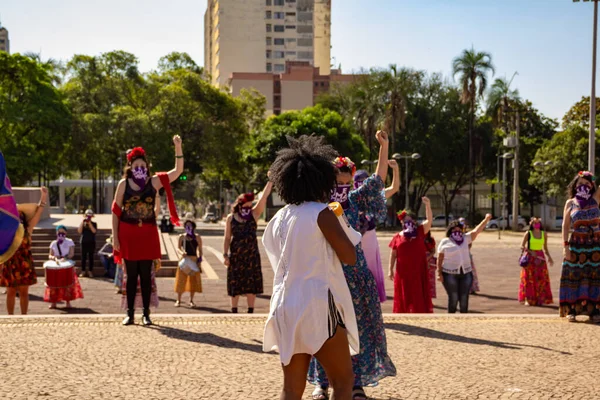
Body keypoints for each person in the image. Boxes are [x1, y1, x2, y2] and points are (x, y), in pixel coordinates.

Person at [263, 135, 359, 400]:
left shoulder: (279, 217)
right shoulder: (323, 213)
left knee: (291, 389)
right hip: (317, 304)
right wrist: (342, 220)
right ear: (320, 179)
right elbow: (349, 256)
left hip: (285, 304)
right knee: (343, 381)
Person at [309, 131, 396, 400]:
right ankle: (321, 384)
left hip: (356, 275)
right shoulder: (318, 202)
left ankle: (356, 384)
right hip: (326, 274)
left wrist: (385, 147)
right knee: (322, 329)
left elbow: (379, 179)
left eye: (347, 182)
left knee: (358, 330)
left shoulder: (358, 199)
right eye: (338, 182)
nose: (342, 187)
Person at [112, 135, 183, 326]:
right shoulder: (123, 184)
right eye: (136, 166)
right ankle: (130, 313)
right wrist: (115, 237)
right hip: (128, 234)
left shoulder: (154, 182)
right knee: (131, 275)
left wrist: (178, 147)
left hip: (148, 234)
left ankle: (146, 313)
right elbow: (116, 212)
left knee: (146, 275)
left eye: (142, 165)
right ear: (130, 167)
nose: (139, 169)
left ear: (147, 166)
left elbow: (178, 171)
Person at [353, 159, 400, 302]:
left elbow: (394, 188)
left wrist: (396, 170)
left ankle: (371, 302)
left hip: (369, 237)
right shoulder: (350, 197)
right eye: (358, 181)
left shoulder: (375, 198)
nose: (361, 184)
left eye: (363, 181)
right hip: (353, 237)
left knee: (371, 269)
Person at [223, 180, 273, 314]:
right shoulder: (231, 217)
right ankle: (234, 310)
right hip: (236, 255)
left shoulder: (254, 214)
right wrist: (225, 254)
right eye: (248, 202)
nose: (250, 205)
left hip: (251, 254)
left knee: (251, 282)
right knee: (235, 282)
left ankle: (250, 310)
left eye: (251, 203)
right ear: (241, 203)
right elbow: (227, 237)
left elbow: (264, 197)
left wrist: (271, 180)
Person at [0, 183, 47, 315]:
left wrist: (43, 197)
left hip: (24, 263)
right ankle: (10, 317)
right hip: (10, 262)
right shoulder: (6, 230)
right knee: (10, 292)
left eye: (20, 215)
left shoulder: (28, 229)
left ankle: (24, 317)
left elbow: (38, 213)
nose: (18, 217)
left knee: (24, 292)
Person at [560, 171, 600, 322]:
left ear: (592, 185)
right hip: (576, 243)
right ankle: (571, 310)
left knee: (595, 276)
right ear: (575, 185)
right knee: (573, 276)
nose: (584, 186)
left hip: (596, 244)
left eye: (587, 183)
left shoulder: (596, 198)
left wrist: (591, 177)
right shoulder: (570, 203)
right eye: (580, 183)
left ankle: (595, 310)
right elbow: (565, 226)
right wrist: (565, 246)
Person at [437, 215, 492, 313]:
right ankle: (451, 320)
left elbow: (476, 231)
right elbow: (440, 258)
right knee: (453, 297)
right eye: (454, 229)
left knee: (464, 298)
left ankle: (464, 320)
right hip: (449, 273)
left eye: (459, 229)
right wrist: (439, 274)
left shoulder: (466, 238)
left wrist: (486, 219)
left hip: (466, 273)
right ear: (450, 230)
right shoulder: (445, 241)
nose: (457, 231)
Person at [388, 198, 434, 313]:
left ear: (414, 220)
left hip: (418, 270)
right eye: (404, 220)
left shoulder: (420, 231)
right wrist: (390, 270)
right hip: (403, 271)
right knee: (404, 295)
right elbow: (393, 254)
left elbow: (429, 220)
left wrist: (428, 205)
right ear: (401, 222)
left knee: (418, 294)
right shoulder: (397, 236)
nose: (406, 222)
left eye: (409, 219)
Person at [45, 225, 84, 309]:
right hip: (56, 264)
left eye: (63, 232)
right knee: (54, 283)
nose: (61, 233)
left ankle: (68, 302)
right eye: (59, 232)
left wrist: (65, 258)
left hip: (66, 263)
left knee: (67, 283)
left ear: (66, 232)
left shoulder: (69, 241)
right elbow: (50, 254)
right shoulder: (53, 243)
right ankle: (53, 302)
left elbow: (71, 253)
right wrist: (54, 258)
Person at [519, 217, 553, 307]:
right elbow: (522, 246)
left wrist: (549, 257)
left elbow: (545, 248)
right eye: (534, 223)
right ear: (531, 224)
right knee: (528, 279)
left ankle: (540, 299)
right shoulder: (528, 233)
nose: (536, 225)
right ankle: (528, 299)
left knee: (541, 279)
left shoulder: (544, 234)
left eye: (538, 223)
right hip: (530, 258)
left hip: (540, 259)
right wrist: (530, 251)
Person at [175, 219, 203, 307]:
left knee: (193, 281)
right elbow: (178, 248)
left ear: (193, 227)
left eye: (190, 226)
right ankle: (178, 300)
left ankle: (191, 300)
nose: (188, 227)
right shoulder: (182, 236)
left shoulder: (197, 237)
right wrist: (181, 253)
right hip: (184, 260)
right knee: (181, 280)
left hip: (193, 260)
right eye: (186, 226)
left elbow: (200, 249)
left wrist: (200, 258)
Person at [459, 217, 480, 294]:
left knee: (470, 272)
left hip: (467, 255)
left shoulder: (467, 234)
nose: (463, 225)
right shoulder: (455, 233)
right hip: (458, 257)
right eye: (461, 223)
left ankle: (472, 287)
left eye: (464, 223)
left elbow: (470, 244)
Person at [78, 209, 97, 278]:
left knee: (91, 257)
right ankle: (83, 271)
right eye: (87, 216)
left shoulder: (94, 224)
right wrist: (83, 223)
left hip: (91, 242)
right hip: (83, 242)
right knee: (83, 257)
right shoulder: (83, 223)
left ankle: (90, 271)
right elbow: (79, 231)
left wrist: (89, 224)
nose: (88, 217)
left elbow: (94, 231)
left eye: (89, 216)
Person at [424, 232, 437, 299]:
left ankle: (429, 298)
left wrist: (427, 258)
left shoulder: (431, 239)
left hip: (429, 260)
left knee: (430, 281)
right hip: (419, 260)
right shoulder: (416, 239)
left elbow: (433, 251)